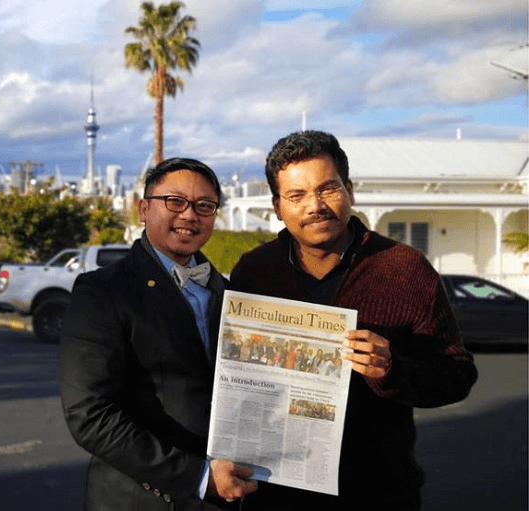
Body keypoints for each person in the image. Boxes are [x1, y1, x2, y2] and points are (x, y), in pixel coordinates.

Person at [229, 130, 478, 510]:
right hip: (277, 492)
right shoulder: (254, 271)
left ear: (348, 189)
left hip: (379, 493)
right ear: (278, 206)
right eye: (296, 196)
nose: (315, 206)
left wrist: (391, 370)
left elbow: (457, 377)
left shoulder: (405, 268)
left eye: (327, 189)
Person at [60, 157, 258, 510]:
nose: (189, 215)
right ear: (143, 209)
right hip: (140, 499)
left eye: (204, 205)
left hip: (225, 496)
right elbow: (89, 414)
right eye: (175, 201)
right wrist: (197, 478)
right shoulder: (102, 291)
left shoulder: (231, 295)